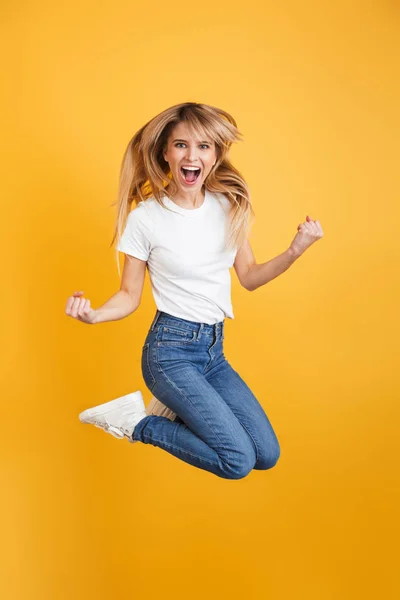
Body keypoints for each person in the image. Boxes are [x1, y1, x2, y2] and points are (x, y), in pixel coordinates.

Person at [65, 102, 323, 479]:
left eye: (204, 146)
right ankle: (138, 423)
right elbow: (129, 296)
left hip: (213, 352)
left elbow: (249, 276)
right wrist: (95, 314)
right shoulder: (146, 219)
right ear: (166, 153)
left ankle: (175, 405)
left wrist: (294, 251)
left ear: (216, 155)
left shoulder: (226, 206)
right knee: (236, 461)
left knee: (265, 454)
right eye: (181, 145)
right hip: (169, 352)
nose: (192, 155)